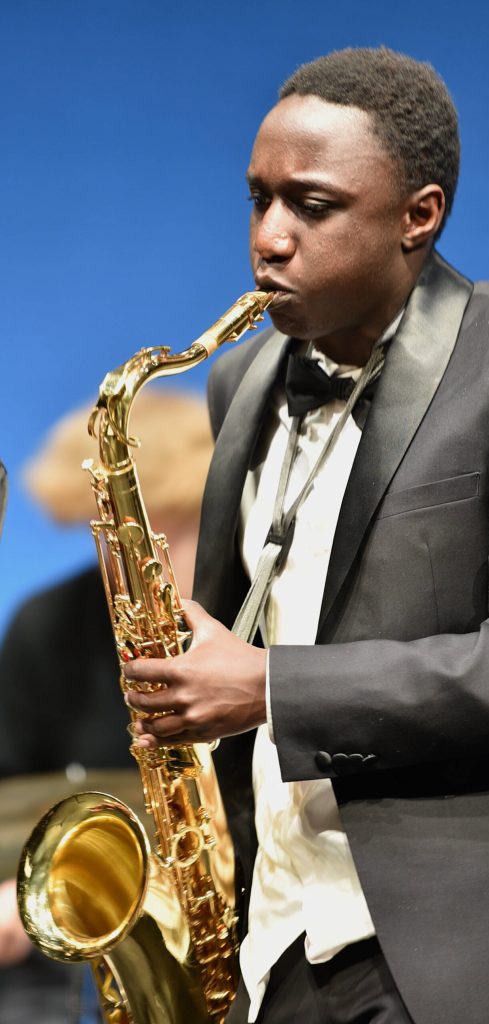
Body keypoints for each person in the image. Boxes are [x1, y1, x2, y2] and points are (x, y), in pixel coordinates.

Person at [122, 47, 489, 1024]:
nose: (269, 240)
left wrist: (271, 688)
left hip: (452, 956)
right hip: (275, 942)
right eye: (258, 200)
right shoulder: (238, 379)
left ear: (417, 216)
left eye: (311, 205)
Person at [0, 389, 213, 1024]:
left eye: (167, 527)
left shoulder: (270, 614)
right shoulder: (50, 623)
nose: (128, 560)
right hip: (80, 938)